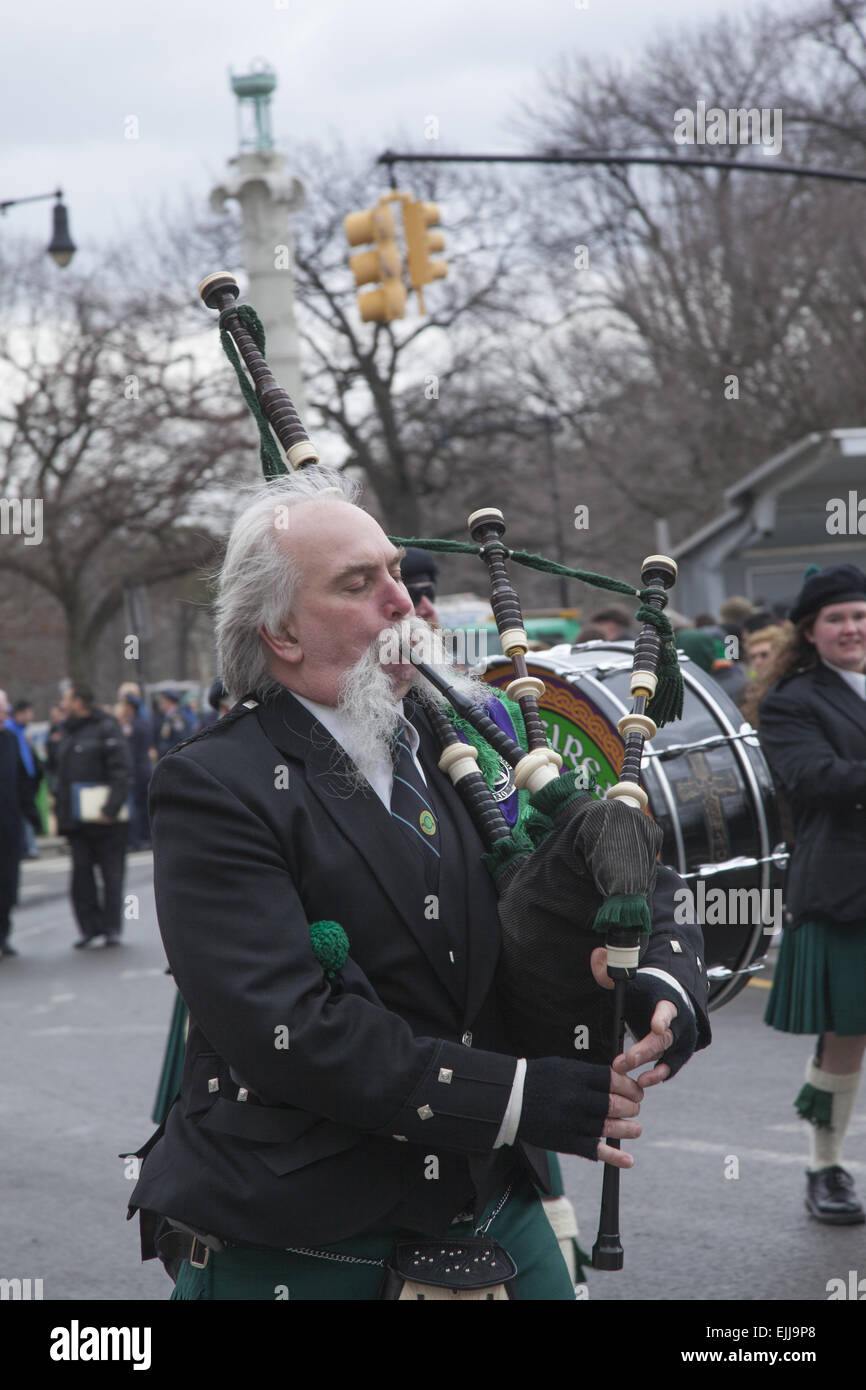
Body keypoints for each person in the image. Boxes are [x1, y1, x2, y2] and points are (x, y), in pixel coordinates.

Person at [128, 471, 709, 1301]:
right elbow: (287, 1029)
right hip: (310, 1234)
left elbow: (614, 863)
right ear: (281, 632)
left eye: (395, 571)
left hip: (491, 1207)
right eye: (359, 584)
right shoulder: (217, 786)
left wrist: (663, 977)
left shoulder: (453, 735)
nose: (402, 602)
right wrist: (519, 1096)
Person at [758, 564, 866, 1225]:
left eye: (860, 615)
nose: (853, 628)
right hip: (845, 888)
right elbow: (813, 777)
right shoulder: (792, 701)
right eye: (837, 619)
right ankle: (825, 1168)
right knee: (845, 1036)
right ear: (810, 631)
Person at [54, 684, 131, 948]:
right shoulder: (67, 731)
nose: (63, 705)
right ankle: (89, 928)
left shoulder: (106, 728)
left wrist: (110, 808)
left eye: (67, 699)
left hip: (106, 820)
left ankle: (111, 928)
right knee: (81, 878)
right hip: (77, 820)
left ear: (79, 702)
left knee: (112, 875)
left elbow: (121, 770)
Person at [4, 699, 43, 858]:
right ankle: (27, 848)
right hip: (18, 782)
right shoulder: (10, 731)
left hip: (27, 779)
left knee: (25, 815)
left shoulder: (20, 731)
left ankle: (28, 847)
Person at [154, 690, 195, 760]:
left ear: (169, 702)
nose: (160, 704)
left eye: (163, 701)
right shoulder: (169, 717)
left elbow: (182, 740)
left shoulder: (176, 718)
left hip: (173, 758)